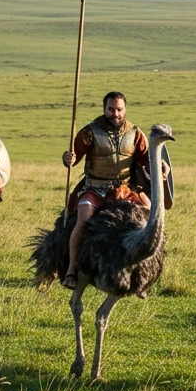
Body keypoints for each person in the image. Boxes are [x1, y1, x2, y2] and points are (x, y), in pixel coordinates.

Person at [61, 91, 159, 290]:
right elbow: (74, 157)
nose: (115, 114)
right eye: (111, 109)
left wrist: (161, 168)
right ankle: (71, 269)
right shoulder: (90, 132)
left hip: (125, 189)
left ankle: (146, 273)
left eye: (119, 109)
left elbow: (146, 162)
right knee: (83, 219)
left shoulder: (136, 133)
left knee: (151, 215)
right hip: (95, 189)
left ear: (125, 110)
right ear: (104, 109)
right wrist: (68, 159)